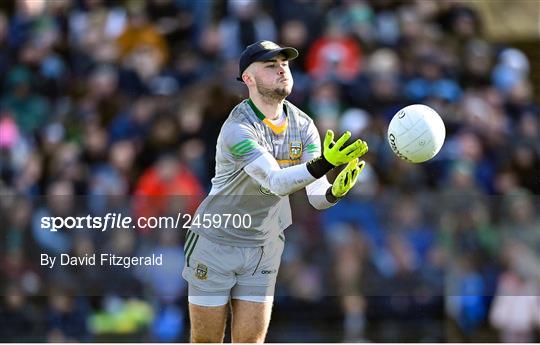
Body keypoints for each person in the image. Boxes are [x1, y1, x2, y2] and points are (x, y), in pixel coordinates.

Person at [182, 40, 368, 343]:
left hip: (263, 244)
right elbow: (276, 181)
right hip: (216, 241)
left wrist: (334, 191)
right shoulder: (237, 130)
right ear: (248, 79)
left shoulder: (304, 125)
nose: (282, 68)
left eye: (285, 63)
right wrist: (324, 163)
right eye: (271, 66)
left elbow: (316, 196)